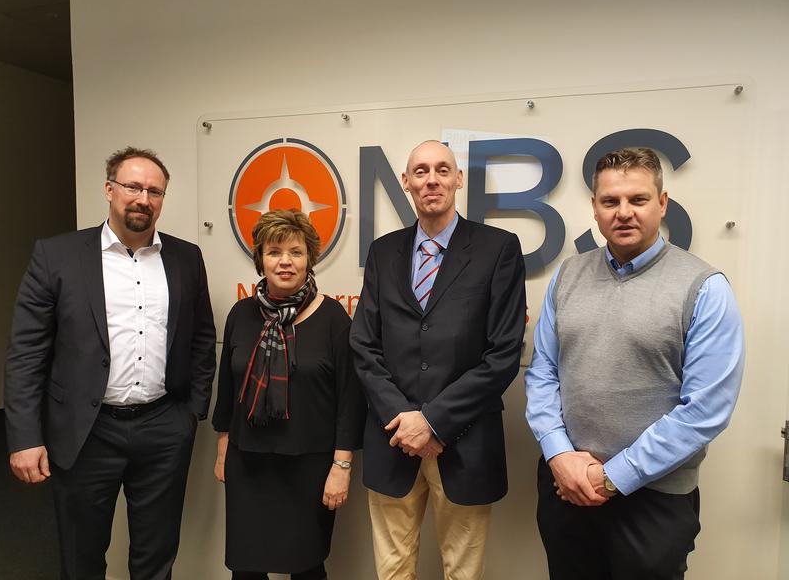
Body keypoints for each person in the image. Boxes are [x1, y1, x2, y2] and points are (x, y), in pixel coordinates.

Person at [525, 147, 745, 580]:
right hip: (565, 488)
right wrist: (558, 453)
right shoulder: (568, 275)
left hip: (654, 503)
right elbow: (543, 371)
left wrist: (612, 477)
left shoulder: (704, 288)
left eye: (638, 200)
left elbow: (705, 411)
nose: (624, 212)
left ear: (662, 204)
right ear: (594, 208)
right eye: (610, 201)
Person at [4, 146, 217, 579]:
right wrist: (24, 436)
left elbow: (201, 339)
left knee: (155, 558)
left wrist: (190, 414)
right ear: (108, 189)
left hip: (163, 427)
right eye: (133, 186)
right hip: (86, 431)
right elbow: (26, 353)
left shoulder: (186, 258)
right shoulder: (57, 256)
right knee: (82, 558)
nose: (143, 198)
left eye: (155, 191)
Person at [350, 140, 527, 580]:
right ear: (406, 183)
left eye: (443, 170)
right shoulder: (382, 252)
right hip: (392, 440)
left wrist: (433, 422)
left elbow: (503, 353)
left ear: (459, 180)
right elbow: (364, 345)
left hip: (464, 442)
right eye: (422, 171)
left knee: (463, 573)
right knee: (392, 572)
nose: (433, 179)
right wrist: (403, 418)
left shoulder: (498, 249)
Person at [212, 209, 365, 580]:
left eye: (295, 252)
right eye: (274, 251)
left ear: (309, 259)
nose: (285, 262)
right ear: (260, 258)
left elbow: (350, 401)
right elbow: (228, 390)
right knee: (246, 568)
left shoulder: (334, 320)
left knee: (307, 567)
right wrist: (222, 452)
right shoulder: (241, 314)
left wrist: (341, 469)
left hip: (309, 467)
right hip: (247, 462)